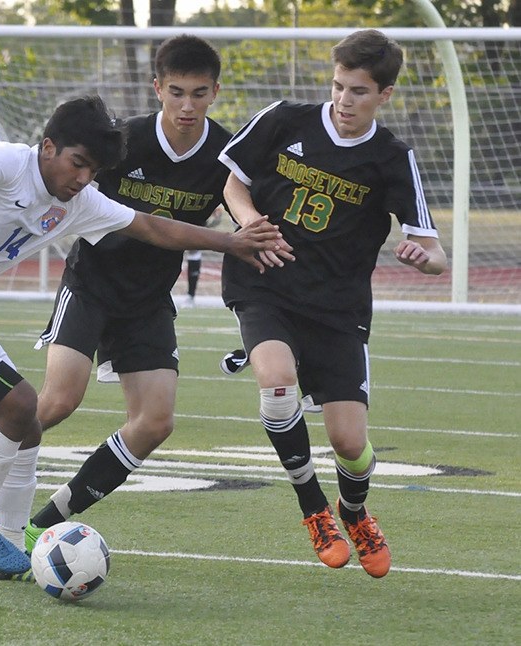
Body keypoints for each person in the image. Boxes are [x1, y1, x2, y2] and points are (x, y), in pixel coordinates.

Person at [0, 94, 283, 577]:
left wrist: (229, 242)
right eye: (77, 163)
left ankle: (8, 542)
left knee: (27, 423)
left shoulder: (80, 201)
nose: (83, 178)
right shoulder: (13, 161)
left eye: (93, 169)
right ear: (48, 148)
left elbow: (150, 226)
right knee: (23, 403)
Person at [216, 29, 447, 578]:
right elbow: (232, 184)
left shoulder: (392, 157)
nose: (344, 100)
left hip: (339, 307)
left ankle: (355, 510)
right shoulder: (285, 119)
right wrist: (250, 224)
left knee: (349, 441)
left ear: (384, 95)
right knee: (275, 382)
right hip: (265, 283)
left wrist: (422, 256)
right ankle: (313, 509)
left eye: (359, 92)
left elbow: (437, 253)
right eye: (339, 87)